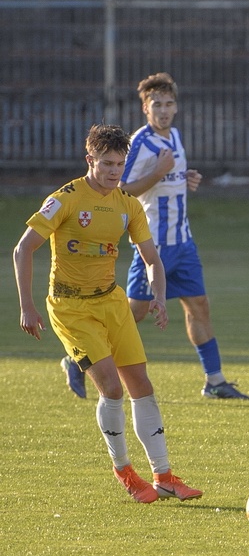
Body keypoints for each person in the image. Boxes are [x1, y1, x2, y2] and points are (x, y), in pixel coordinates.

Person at [14, 124, 203, 504]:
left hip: (111, 302)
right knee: (112, 388)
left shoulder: (127, 204)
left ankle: (164, 476)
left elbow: (152, 259)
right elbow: (23, 250)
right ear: (90, 160)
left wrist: (160, 298)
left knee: (142, 387)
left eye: (120, 164)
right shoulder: (65, 198)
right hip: (70, 308)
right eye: (107, 163)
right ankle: (126, 473)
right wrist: (27, 306)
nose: (114, 171)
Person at [60, 72, 249, 400]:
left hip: (183, 241)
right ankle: (77, 360)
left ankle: (215, 381)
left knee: (199, 306)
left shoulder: (175, 136)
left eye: (168, 103)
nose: (163, 110)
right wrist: (159, 173)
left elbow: (166, 180)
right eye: (156, 104)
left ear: (176, 107)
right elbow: (120, 190)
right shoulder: (140, 143)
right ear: (145, 109)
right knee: (132, 314)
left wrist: (183, 177)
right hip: (154, 245)